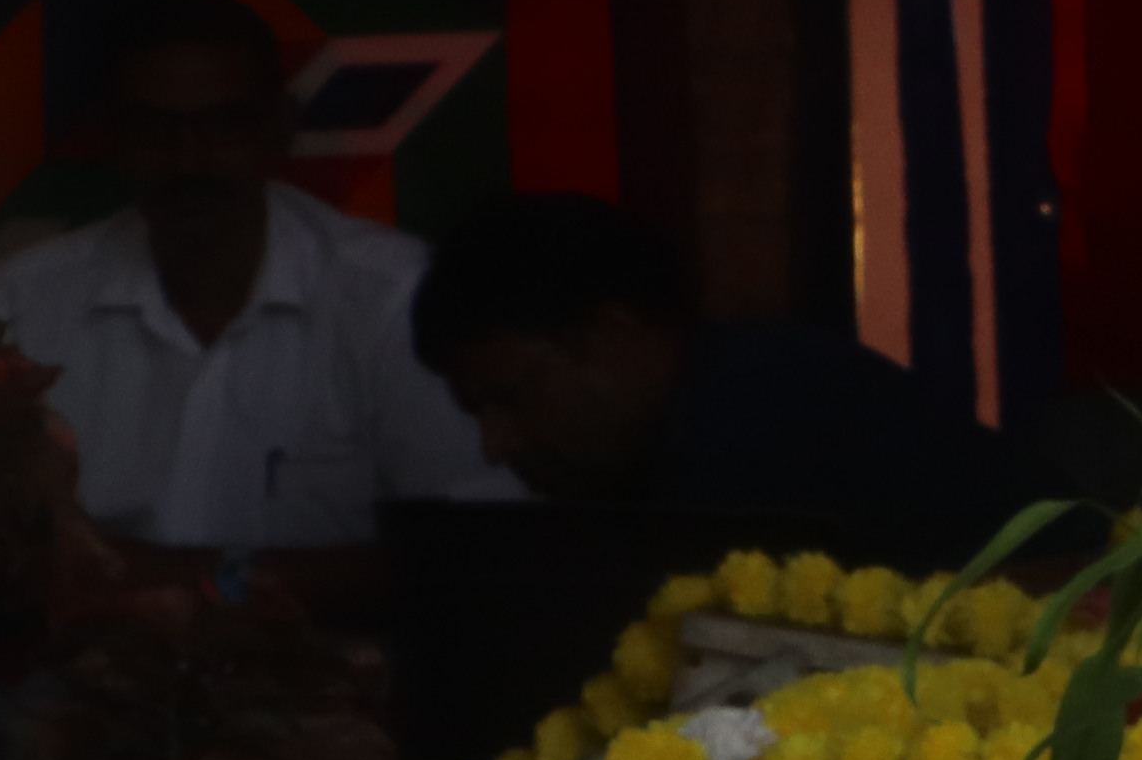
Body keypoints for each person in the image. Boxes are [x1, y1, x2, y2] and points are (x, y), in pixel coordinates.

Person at [0, 0, 512, 597]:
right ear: (109, 136)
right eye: (153, 130)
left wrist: (168, 581)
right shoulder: (21, 301)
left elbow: (476, 553)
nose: (188, 160)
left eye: (223, 125)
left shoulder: (399, 300)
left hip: (328, 660)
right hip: (77, 657)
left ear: (280, 127)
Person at [408, 191, 1040, 561]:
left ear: (613, 339)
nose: (496, 445)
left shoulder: (768, 412)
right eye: (478, 414)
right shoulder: (669, 439)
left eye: (514, 398)